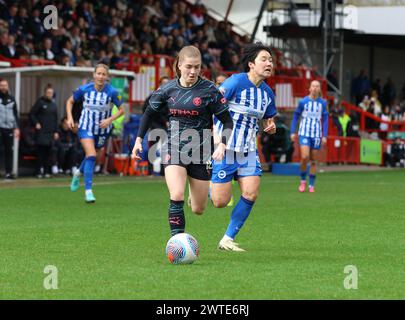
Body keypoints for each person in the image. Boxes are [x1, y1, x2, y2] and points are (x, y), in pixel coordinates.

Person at [132, 45, 233, 237]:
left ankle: (192, 196)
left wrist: (223, 144)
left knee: (198, 208)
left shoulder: (210, 90)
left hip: (201, 151)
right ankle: (177, 243)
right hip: (174, 147)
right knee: (176, 195)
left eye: (197, 67)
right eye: (188, 67)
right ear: (179, 65)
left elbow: (227, 121)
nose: (193, 71)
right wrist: (138, 140)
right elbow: (148, 113)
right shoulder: (167, 89)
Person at [211, 42, 277, 252]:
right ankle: (201, 187)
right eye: (264, 59)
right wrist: (217, 139)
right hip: (226, 149)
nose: (269, 63)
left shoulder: (267, 93)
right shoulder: (235, 83)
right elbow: (213, 107)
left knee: (251, 194)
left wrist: (271, 126)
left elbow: (268, 119)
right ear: (251, 64)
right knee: (219, 202)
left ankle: (227, 239)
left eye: (270, 60)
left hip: (248, 151)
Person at [66, 63, 124, 203]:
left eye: (103, 74)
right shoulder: (84, 89)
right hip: (85, 127)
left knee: (93, 155)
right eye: (98, 73)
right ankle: (88, 192)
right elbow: (70, 101)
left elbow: (122, 109)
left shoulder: (112, 92)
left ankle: (78, 172)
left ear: (107, 77)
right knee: (91, 155)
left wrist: (109, 120)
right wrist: (70, 118)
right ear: (94, 75)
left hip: (102, 131)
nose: (101, 76)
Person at [290, 80, 329, 193]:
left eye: (317, 86)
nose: (315, 88)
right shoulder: (303, 102)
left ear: (319, 89)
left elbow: (326, 120)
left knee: (313, 160)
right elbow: (295, 117)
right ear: (310, 88)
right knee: (304, 157)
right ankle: (303, 181)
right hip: (304, 132)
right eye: (313, 86)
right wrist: (293, 131)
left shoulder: (323, 103)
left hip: (316, 134)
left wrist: (324, 136)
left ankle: (311, 185)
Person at [29, 85, 59, 178]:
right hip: (41, 132)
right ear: (45, 93)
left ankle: (47, 171)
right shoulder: (40, 102)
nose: (50, 94)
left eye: (51, 93)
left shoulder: (54, 105)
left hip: (50, 133)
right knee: (40, 153)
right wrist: (36, 123)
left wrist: (56, 131)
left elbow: (56, 119)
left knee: (49, 153)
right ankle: (38, 171)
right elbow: (32, 114)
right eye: (48, 92)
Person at [0, 78, 20, 180]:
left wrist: (16, 128)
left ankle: (8, 173)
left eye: (5, 85)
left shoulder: (12, 99)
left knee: (9, 151)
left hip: (9, 128)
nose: (3, 87)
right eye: (2, 85)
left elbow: (15, 114)